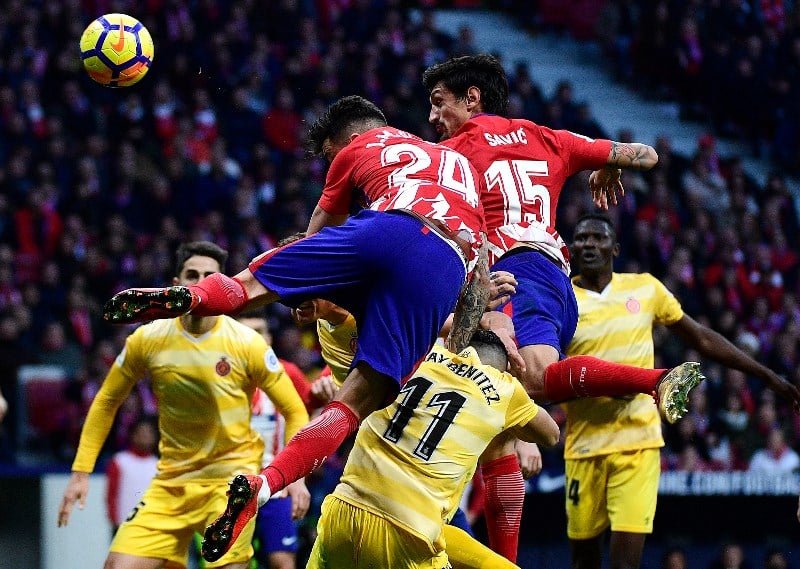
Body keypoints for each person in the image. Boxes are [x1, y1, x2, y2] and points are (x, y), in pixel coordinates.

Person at [101, 95, 487, 561]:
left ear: (343, 138)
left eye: (326, 153)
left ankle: (189, 297)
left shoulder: (356, 150)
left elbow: (317, 234)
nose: (329, 161)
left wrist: (295, 282)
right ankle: (264, 487)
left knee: (248, 283)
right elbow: (470, 300)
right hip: (445, 264)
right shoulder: (460, 164)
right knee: (353, 407)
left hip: (388, 227)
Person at [421, 53, 701, 560]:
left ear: (472, 98)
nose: (433, 117)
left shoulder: (452, 152)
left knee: (523, 382)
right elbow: (647, 156)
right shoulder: (547, 137)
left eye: (440, 103)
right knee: (494, 410)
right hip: (552, 280)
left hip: (511, 277)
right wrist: (610, 164)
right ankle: (505, 556)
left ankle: (654, 381)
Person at [563, 213, 800, 569]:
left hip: (637, 444)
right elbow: (546, 366)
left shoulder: (645, 288)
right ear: (570, 249)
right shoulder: (562, 299)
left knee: (625, 564)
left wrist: (766, 375)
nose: (589, 244)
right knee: (583, 560)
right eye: (581, 238)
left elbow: (702, 337)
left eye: (598, 237)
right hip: (582, 444)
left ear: (616, 247)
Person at [57, 241, 310, 569]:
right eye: (192, 275)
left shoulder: (247, 343)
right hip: (171, 483)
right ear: (177, 285)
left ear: (224, 286)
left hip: (230, 484)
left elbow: (294, 410)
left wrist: (297, 477)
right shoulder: (147, 339)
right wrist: (80, 472)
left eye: (210, 276)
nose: (200, 281)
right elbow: (106, 401)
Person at [306, 327, 560, 568]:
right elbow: (551, 435)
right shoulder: (505, 388)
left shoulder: (418, 358)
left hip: (341, 511)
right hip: (410, 531)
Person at [237, 314, 313, 569]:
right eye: (247, 333)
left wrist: (298, 478)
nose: (254, 339)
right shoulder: (222, 374)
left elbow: (309, 415)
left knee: (282, 562)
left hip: (276, 485)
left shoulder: (287, 373)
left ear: (269, 338)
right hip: (231, 486)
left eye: (260, 331)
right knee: (233, 563)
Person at [105, 416, 159, 534]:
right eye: (141, 432)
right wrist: (114, 520)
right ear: (133, 435)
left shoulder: (159, 465)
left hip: (150, 527)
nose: (145, 436)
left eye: (149, 433)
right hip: (124, 526)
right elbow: (111, 494)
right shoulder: (120, 461)